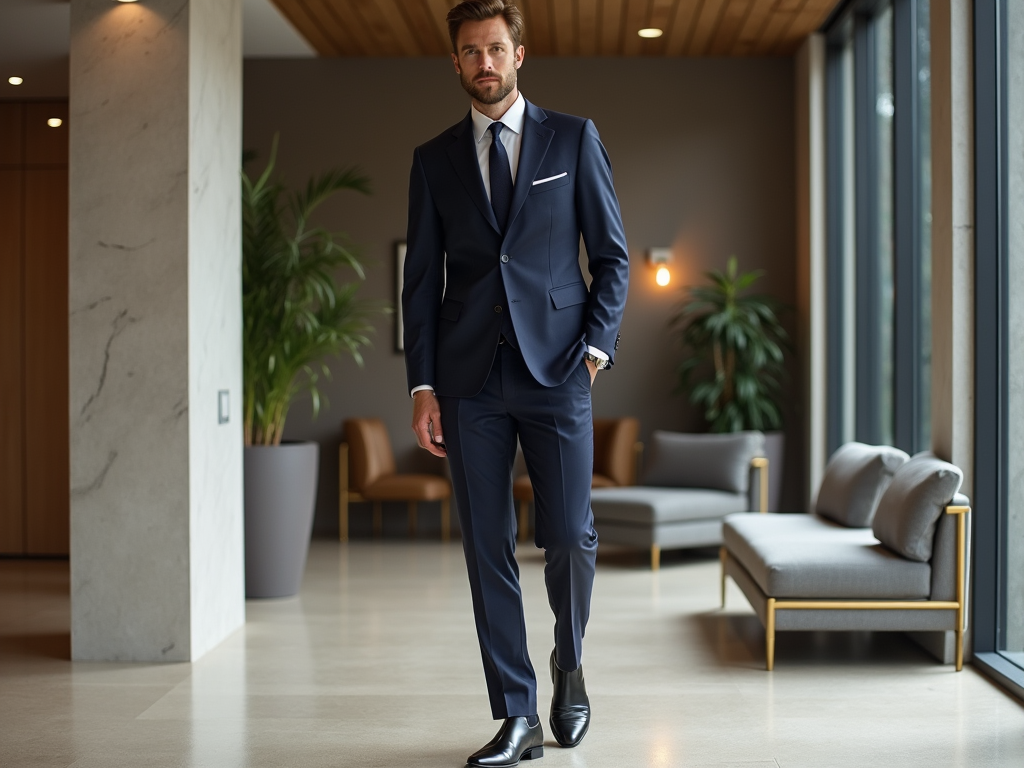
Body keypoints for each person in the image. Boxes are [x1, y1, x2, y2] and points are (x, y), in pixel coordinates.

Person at [402, 1, 629, 765]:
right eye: (470, 52)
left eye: (496, 48)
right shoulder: (433, 159)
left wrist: (596, 348)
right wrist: (422, 387)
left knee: (568, 535)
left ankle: (569, 664)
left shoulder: (574, 136)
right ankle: (518, 713)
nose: (485, 63)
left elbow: (613, 257)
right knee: (487, 547)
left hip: (560, 371)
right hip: (469, 383)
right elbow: (420, 283)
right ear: (456, 64)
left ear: (519, 54)